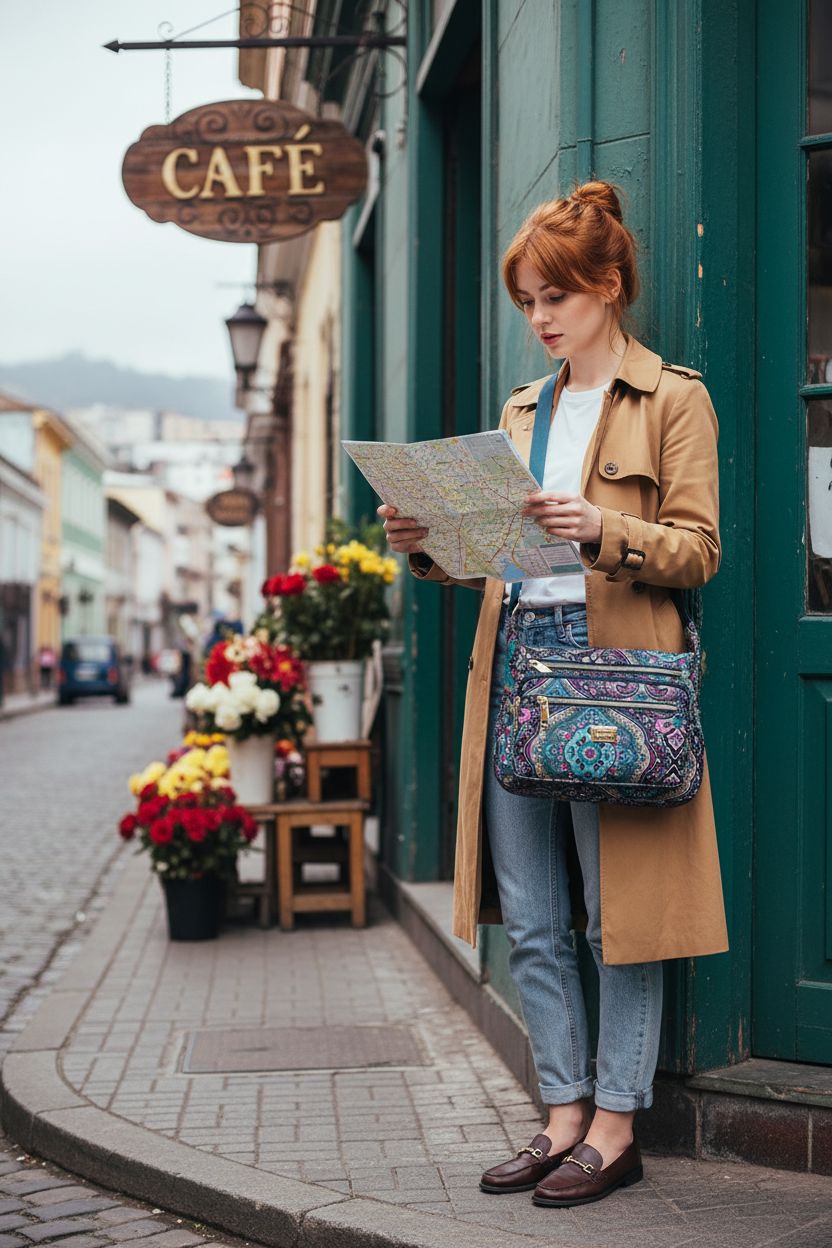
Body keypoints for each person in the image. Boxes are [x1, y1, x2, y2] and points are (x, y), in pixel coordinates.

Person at [379, 180, 728, 1209]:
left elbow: (699, 552)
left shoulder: (673, 397)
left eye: (556, 296)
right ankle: (561, 1113)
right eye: (527, 299)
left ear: (608, 286)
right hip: (521, 658)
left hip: (614, 667)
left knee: (616, 912)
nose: (538, 317)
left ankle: (616, 1125)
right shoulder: (521, 409)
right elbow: (497, 556)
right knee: (532, 911)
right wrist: (427, 546)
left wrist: (598, 529)